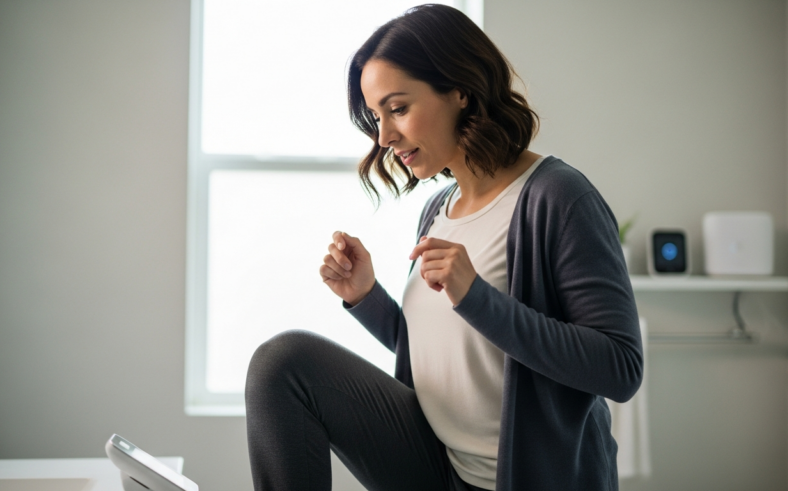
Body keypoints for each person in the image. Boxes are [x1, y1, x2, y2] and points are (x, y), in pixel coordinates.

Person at [245, 4, 643, 491]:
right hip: (438, 467)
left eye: (398, 108)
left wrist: (477, 296)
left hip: (521, 479)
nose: (385, 136)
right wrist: (366, 297)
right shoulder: (438, 209)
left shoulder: (557, 197)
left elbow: (621, 369)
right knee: (282, 364)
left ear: (460, 90)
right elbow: (448, 359)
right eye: (376, 116)